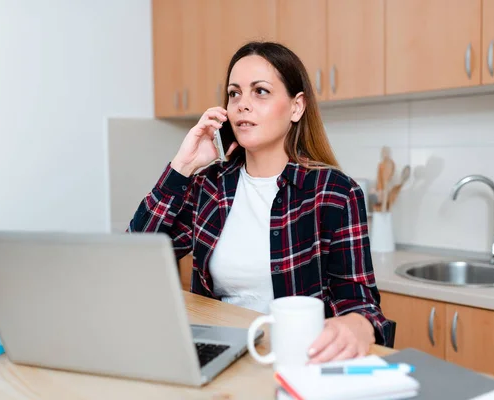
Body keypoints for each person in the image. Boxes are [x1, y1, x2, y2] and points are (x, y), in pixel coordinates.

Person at [128, 41, 392, 363]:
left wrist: (360, 324)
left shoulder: (334, 192)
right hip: (221, 357)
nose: (242, 105)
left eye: (260, 91)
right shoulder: (209, 186)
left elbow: (361, 304)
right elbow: (135, 257)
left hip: (297, 360)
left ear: (296, 107)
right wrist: (182, 167)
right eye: (234, 93)